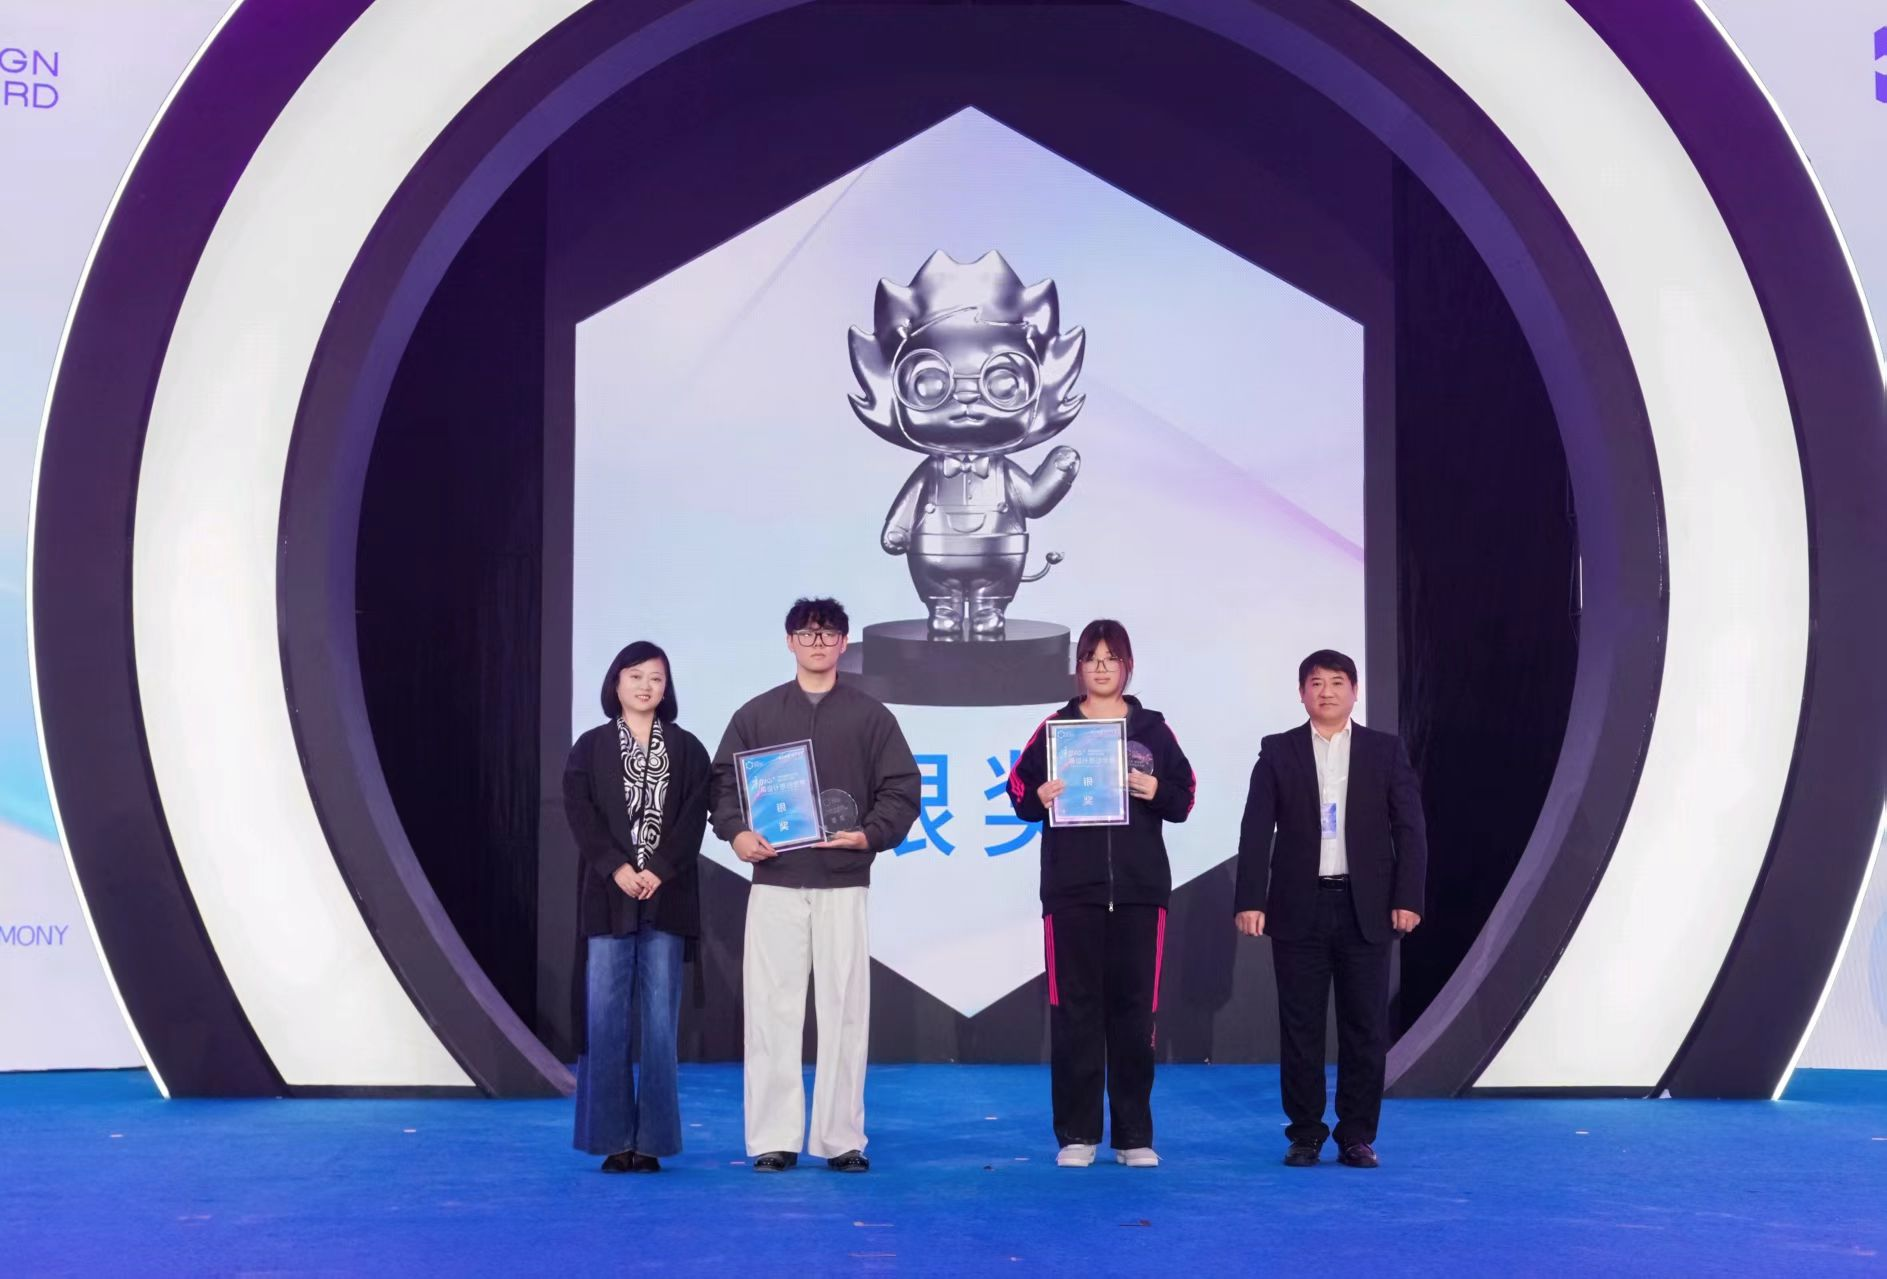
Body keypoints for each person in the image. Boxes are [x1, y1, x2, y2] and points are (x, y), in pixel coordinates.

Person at [710, 597, 920, 1173]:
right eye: (806, 633)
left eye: (828, 634)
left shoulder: (871, 716)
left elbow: (902, 787)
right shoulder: (756, 714)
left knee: (845, 1010)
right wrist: (736, 833)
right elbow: (723, 786)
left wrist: (870, 834)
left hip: (843, 881)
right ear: (789, 641)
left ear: (844, 644)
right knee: (770, 1010)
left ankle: (840, 1137)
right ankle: (773, 1137)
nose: (817, 643)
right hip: (775, 879)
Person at [1008, 619, 1196, 1169]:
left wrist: (1155, 788)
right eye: (1092, 658)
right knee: (1075, 1014)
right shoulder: (1056, 728)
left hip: (1139, 891)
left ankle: (1133, 1136)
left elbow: (1185, 797)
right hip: (1071, 892)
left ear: (1127, 666)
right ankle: (1078, 1134)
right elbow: (1018, 791)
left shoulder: (1153, 729)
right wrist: (1040, 795)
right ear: (1079, 668)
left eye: (1112, 658)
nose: (1102, 667)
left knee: (1136, 1016)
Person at [1233, 649, 1428, 1169]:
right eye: (1316, 683)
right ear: (1301, 694)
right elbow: (1256, 828)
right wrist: (1250, 898)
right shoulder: (1278, 751)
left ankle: (1357, 1134)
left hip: (1368, 907)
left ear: (1354, 692)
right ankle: (1305, 1133)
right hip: (1298, 905)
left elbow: (1410, 827)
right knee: (1301, 1026)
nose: (1326, 691)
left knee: (1365, 1026)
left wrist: (1408, 897)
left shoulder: (1384, 750)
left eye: (1337, 682)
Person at [564, 641, 713, 1173]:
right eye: (635, 675)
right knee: (605, 1021)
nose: (646, 686)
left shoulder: (688, 749)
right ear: (616, 683)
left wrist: (659, 870)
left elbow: (694, 817)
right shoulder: (590, 747)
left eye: (656, 678)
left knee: (659, 1026)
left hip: (666, 899)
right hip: (608, 899)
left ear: (667, 688)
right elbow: (580, 814)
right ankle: (611, 1140)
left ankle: (651, 1142)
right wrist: (617, 868)